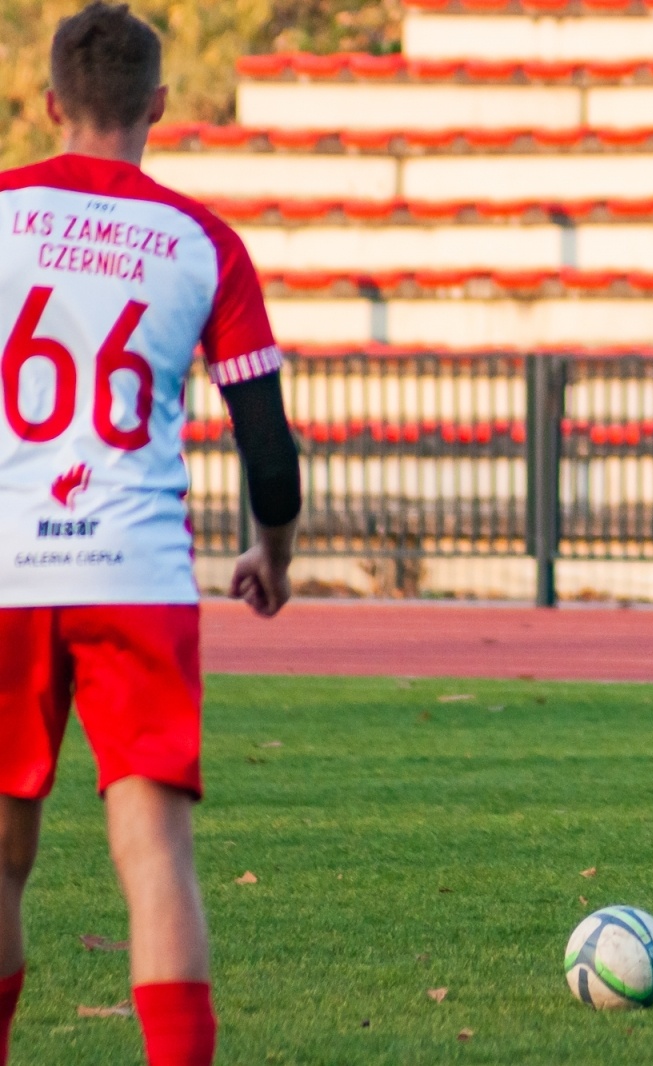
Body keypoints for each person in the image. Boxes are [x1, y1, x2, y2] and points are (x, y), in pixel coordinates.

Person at [0, 4, 301, 1062]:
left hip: (6, 565)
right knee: (153, 853)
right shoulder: (203, 243)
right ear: (159, 106)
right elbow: (265, 443)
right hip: (134, 567)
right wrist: (274, 550)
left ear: (49, 106)